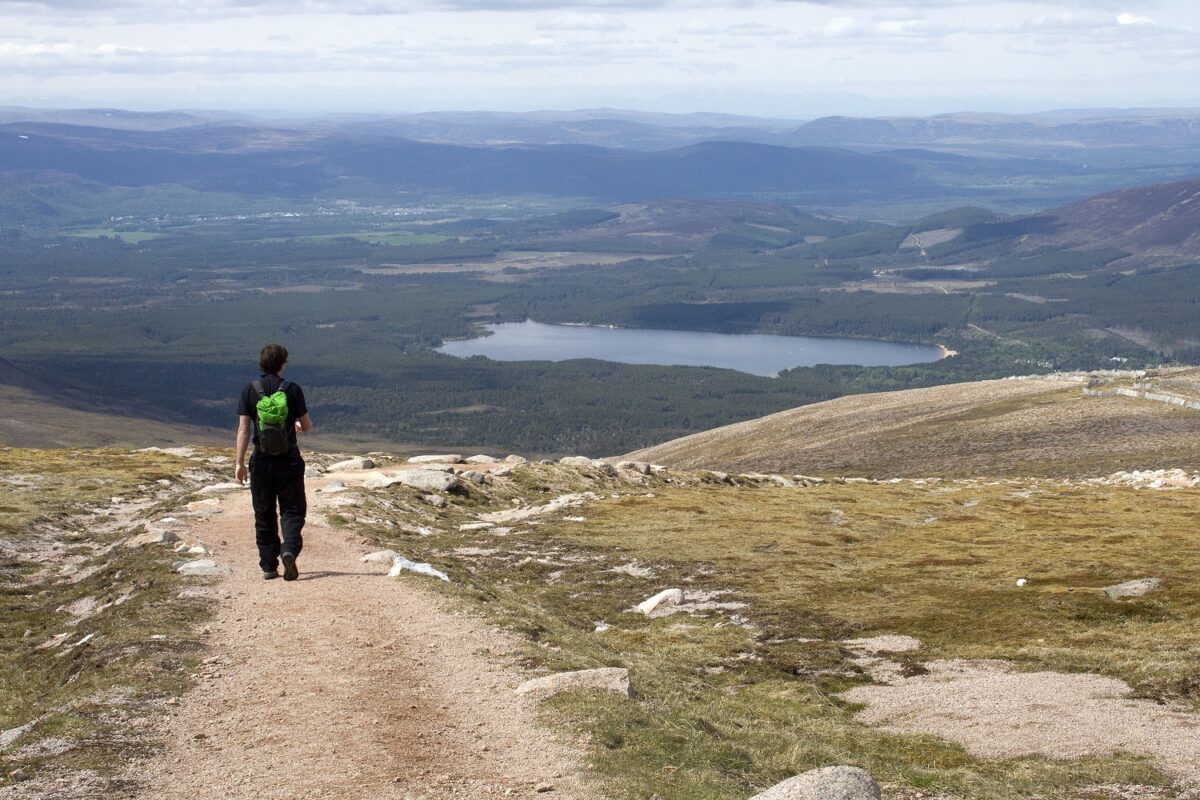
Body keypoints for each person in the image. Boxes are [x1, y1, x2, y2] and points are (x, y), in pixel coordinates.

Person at [235, 343, 314, 581]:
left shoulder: (250, 390)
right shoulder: (292, 390)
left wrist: (239, 463)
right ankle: (289, 549)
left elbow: (243, 430)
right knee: (292, 509)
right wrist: (297, 426)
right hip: (289, 460)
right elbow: (307, 426)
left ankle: (269, 565)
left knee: (264, 512)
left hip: (261, 461)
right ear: (282, 364)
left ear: (261, 364)